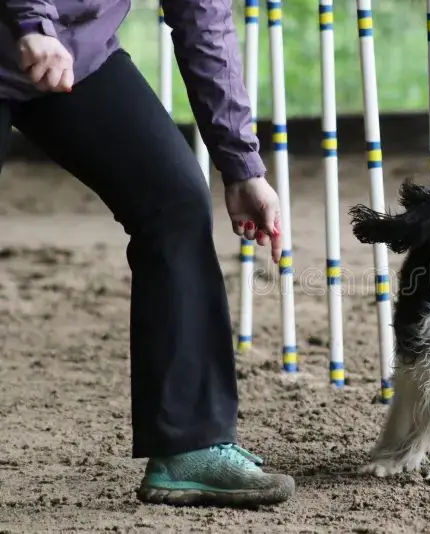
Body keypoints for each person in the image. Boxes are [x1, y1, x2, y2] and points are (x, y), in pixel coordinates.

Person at [0, 0, 295, 508]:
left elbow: (203, 18)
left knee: (176, 202)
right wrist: (32, 20)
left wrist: (241, 163)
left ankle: (190, 447)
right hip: (27, 28)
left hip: (74, 53)